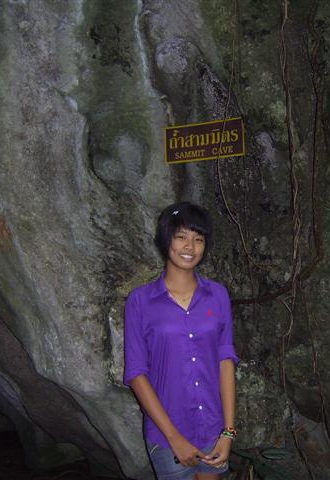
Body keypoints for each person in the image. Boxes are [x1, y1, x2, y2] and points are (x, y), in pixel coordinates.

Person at [124, 201, 239, 480]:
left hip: (212, 431)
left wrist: (228, 432)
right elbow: (136, 373)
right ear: (166, 240)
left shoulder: (218, 295)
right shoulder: (140, 301)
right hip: (166, 437)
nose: (190, 246)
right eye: (181, 237)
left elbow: (225, 361)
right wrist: (174, 438)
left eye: (198, 239)